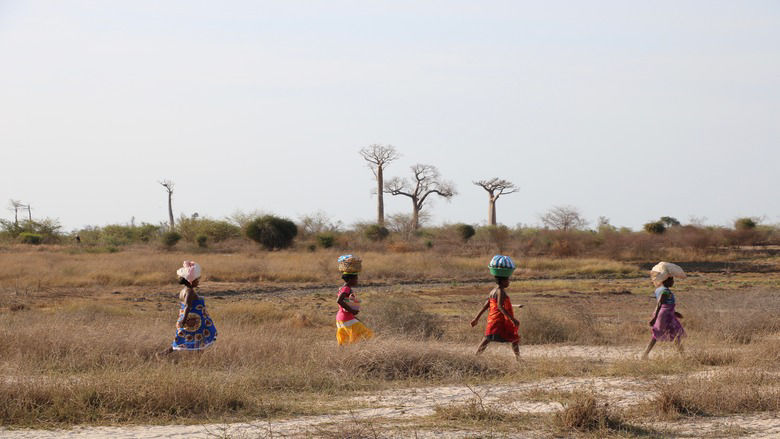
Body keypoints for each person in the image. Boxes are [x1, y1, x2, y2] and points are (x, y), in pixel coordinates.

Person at [159, 261, 217, 356]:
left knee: (190, 339)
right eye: (196, 280)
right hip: (191, 322)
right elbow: (187, 306)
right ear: (191, 281)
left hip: (192, 321)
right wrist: (184, 321)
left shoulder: (184, 290)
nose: (198, 281)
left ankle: (163, 354)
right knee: (193, 339)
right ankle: (162, 354)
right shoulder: (189, 292)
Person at [471, 255, 521, 361]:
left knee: (491, 338)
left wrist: (476, 318)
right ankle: (518, 358)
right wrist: (512, 319)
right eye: (508, 280)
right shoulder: (500, 291)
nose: (509, 282)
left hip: (492, 319)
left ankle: (518, 358)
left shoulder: (492, 291)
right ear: (503, 281)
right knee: (505, 337)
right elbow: (499, 306)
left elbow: (486, 305)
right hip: (499, 320)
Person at [642, 262, 686, 359]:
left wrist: (674, 312)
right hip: (665, 316)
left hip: (666, 314)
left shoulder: (659, 289)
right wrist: (655, 318)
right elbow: (660, 304)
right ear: (666, 281)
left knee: (657, 334)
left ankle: (645, 354)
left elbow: (665, 305)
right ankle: (683, 356)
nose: (673, 282)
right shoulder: (665, 291)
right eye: (672, 280)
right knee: (674, 334)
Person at [336, 255, 373, 345]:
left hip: (341, 318)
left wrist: (353, 315)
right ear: (350, 280)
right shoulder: (346, 288)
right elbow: (339, 301)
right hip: (346, 318)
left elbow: (344, 303)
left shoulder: (342, 288)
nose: (357, 281)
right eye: (356, 279)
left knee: (345, 341)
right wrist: (352, 310)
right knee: (367, 335)